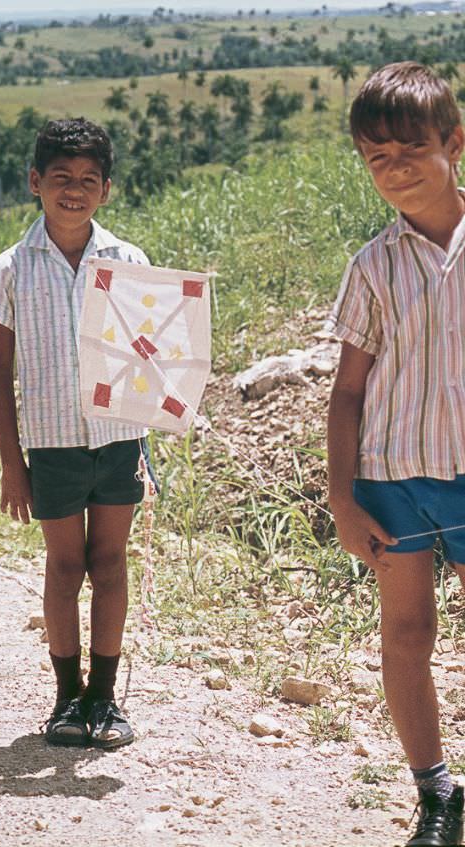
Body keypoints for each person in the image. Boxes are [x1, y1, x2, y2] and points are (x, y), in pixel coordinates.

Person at [0, 117, 153, 749]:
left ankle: (104, 698)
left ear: (105, 189)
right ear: (35, 182)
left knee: (109, 562)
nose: (73, 190)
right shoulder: (11, 267)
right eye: (61, 178)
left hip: (118, 438)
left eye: (87, 180)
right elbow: (0, 375)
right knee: (63, 565)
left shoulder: (129, 261)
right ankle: (65, 698)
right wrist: (13, 463)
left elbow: (152, 353)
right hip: (50, 443)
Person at [327, 61, 465, 846]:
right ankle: (435, 792)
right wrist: (343, 500)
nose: (396, 169)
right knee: (407, 635)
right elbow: (347, 392)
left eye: (411, 149)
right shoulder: (373, 265)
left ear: (455, 142)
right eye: (377, 159)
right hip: (394, 477)